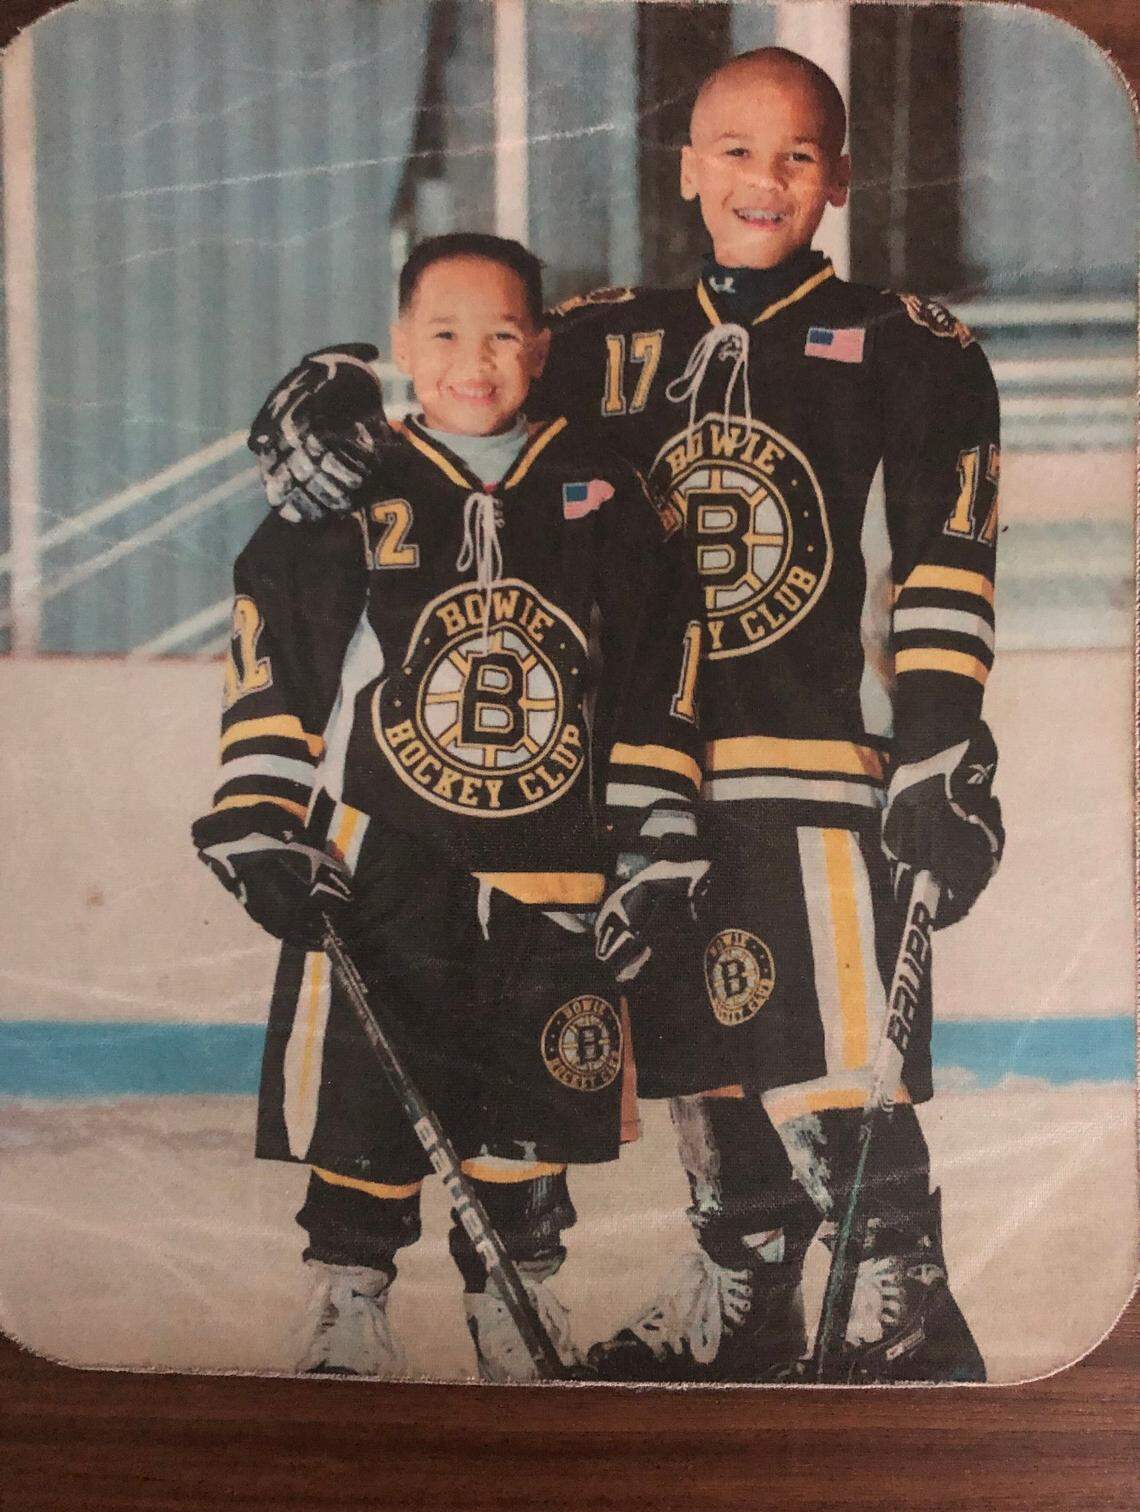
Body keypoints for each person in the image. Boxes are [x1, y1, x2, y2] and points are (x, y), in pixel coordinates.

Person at [243, 48, 1004, 1383]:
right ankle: (746, 1279)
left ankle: (902, 1291)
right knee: (692, 1035)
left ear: (838, 176)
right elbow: (469, 358)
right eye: (733, 149)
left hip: (800, 758)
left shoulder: (906, 342)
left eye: (795, 155)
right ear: (686, 164)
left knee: (820, 1040)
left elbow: (946, 554)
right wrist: (335, 381)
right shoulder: (601, 336)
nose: (761, 181)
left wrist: (942, 741)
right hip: (628, 780)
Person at [192, 232, 706, 1382]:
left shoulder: (610, 491)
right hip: (392, 862)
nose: (474, 361)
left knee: (528, 1116)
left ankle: (516, 1304)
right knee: (370, 1101)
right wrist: (261, 809)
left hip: (556, 865)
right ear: (403, 348)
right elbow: (280, 646)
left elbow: (654, 671)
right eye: (442, 335)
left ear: (544, 345)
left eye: (503, 334)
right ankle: (346, 1300)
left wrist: (656, 840)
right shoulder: (356, 484)